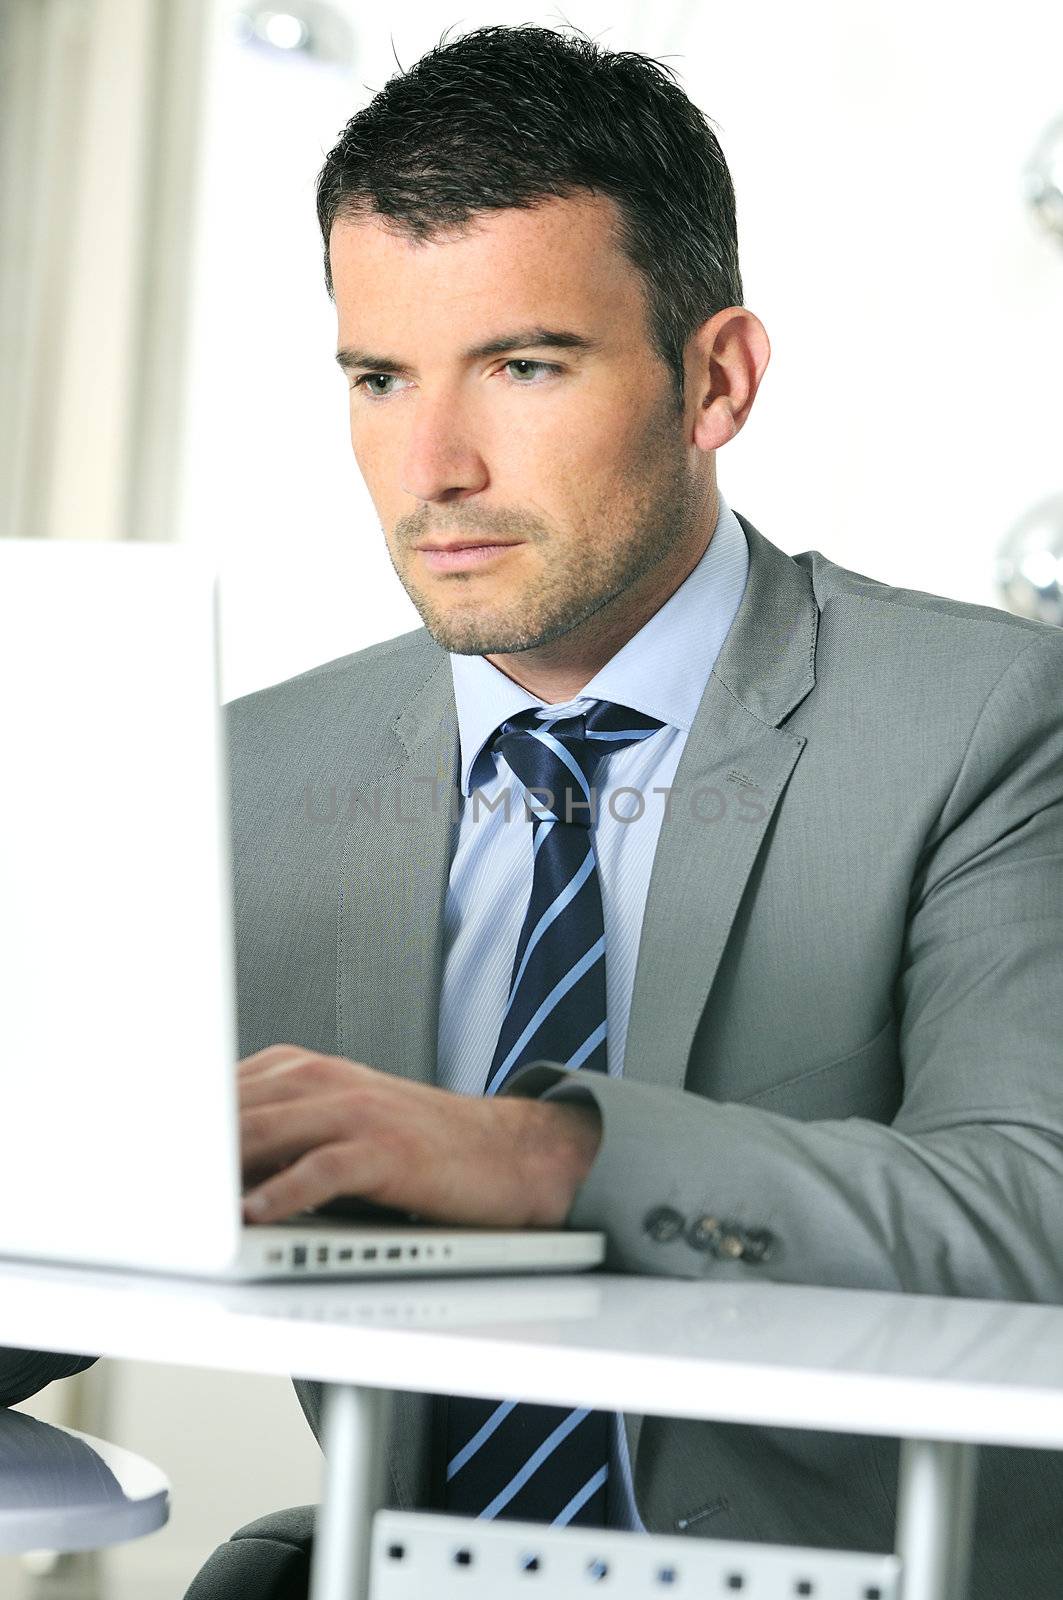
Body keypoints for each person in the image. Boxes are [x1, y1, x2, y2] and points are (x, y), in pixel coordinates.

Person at [5, 21, 1063, 1598]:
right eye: (378, 377)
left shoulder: (990, 722)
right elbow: (73, 1222)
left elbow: (1034, 1214)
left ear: (716, 378)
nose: (432, 464)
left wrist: (546, 1156)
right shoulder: (241, 773)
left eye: (523, 364)